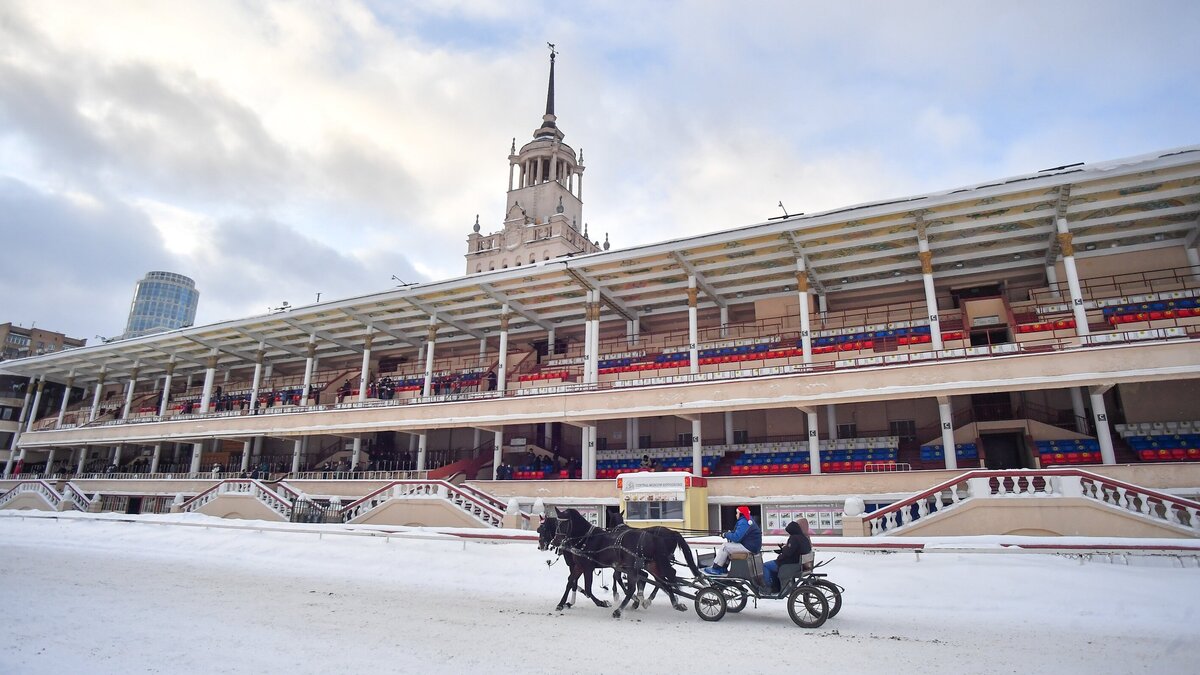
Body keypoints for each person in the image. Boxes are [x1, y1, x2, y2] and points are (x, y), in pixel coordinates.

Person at [703, 505, 762, 575]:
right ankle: (723, 568)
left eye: (737, 513)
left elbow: (737, 538)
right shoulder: (747, 520)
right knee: (730, 546)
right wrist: (729, 533)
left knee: (725, 547)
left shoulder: (744, 522)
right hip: (752, 546)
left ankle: (716, 568)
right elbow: (739, 534)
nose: (736, 515)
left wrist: (725, 535)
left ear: (741, 514)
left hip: (749, 547)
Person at [762, 518, 812, 591]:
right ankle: (776, 585)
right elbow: (793, 550)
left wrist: (783, 550)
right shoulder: (804, 538)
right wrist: (784, 548)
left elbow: (788, 553)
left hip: (788, 564)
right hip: (798, 563)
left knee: (765, 565)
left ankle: (768, 587)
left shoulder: (794, 538)